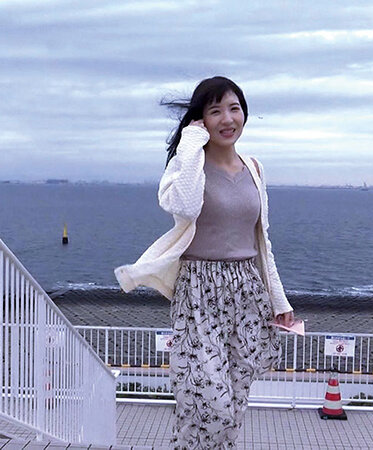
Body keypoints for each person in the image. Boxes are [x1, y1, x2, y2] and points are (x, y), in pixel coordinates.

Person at [114, 76, 294, 449]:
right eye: (215, 111)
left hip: (247, 291)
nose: (228, 119)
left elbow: (262, 241)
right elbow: (184, 207)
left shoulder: (254, 168)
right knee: (208, 401)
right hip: (199, 291)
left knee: (235, 402)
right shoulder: (186, 167)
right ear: (201, 119)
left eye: (234, 108)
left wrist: (279, 300)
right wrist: (190, 143)